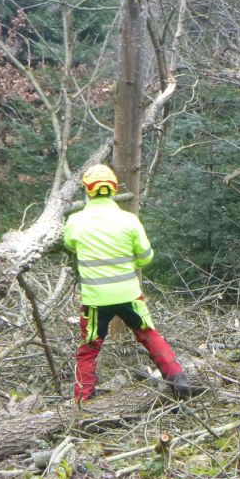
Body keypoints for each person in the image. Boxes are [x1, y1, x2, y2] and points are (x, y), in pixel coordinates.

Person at [63, 163, 190, 403]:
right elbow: (146, 256)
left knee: (89, 350)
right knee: (149, 335)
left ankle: (82, 402)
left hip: (95, 301)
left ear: (87, 191)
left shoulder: (75, 221)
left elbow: (70, 245)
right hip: (129, 295)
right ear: (112, 190)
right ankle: (177, 379)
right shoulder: (129, 220)